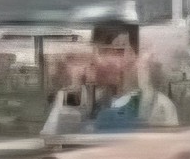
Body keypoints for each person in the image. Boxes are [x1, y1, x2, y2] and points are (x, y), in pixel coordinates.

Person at [42, 18, 182, 135]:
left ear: (135, 55)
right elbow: (55, 141)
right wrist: (75, 86)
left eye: (118, 52)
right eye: (103, 51)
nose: (108, 61)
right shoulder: (78, 99)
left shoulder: (158, 105)